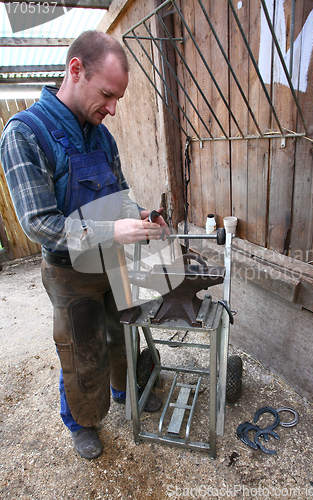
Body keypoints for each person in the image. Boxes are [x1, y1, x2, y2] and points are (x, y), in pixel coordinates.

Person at [0, 30, 170, 460]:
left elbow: (122, 192)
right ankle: (81, 422)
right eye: (107, 95)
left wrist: (142, 216)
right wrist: (114, 232)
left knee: (122, 334)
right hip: (69, 271)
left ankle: (124, 390)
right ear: (76, 70)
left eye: (117, 100)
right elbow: (41, 224)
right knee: (81, 348)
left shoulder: (101, 134)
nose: (112, 110)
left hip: (113, 261)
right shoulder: (24, 134)